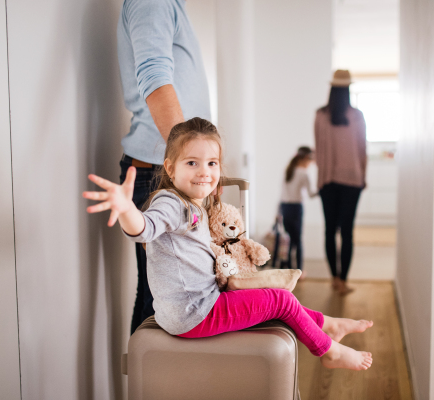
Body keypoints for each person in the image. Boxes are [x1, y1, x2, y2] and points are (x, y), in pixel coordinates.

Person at [83, 118, 374, 370]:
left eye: (211, 163)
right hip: (194, 314)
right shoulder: (171, 203)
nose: (204, 172)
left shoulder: (193, 204)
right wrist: (126, 210)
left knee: (273, 292)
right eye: (192, 163)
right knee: (281, 300)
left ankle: (326, 325)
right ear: (170, 169)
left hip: (198, 305)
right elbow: (144, 229)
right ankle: (329, 351)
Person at [117, 0, 211, 333]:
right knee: (162, 305)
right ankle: (150, 387)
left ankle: (153, 386)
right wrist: (194, 164)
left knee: (163, 301)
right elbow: (156, 80)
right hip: (164, 175)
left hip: (171, 171)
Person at [314, 70, 367, 295]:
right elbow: (362, 149)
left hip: (328, 181)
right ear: (347, 89)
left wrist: (321, 180)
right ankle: (343, 280)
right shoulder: (356, 115)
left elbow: (320, 151)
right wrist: (362, 177)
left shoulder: (320, 115)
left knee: (329, 230)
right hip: (352, 180)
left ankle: (334, 278)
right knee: (347, 232)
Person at [279, 146, 317, 275]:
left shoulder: (288, 170)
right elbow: (312, 194)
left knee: (289, 239)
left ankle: (290, 269)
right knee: (298, 240)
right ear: (307, 158)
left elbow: (282, 194)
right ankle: (300, 271)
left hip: (284, 207)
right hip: (296, 208)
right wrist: (323, 188)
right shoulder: (304, 173)